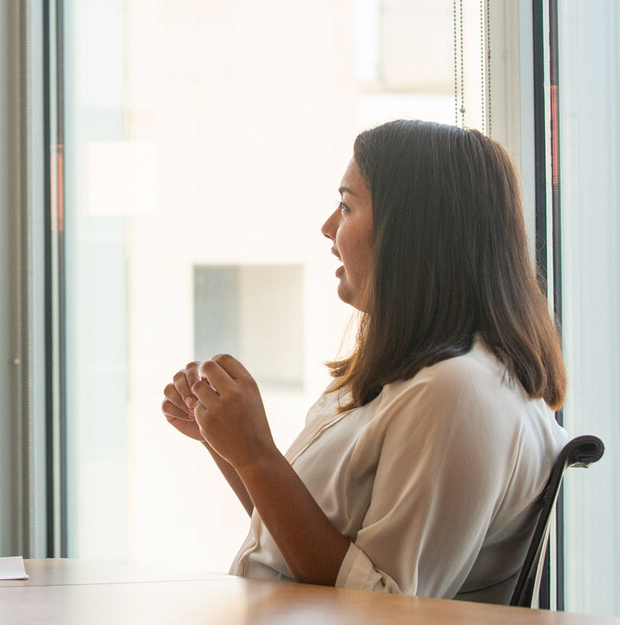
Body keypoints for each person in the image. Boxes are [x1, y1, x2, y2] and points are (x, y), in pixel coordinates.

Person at [160, 119, 569, 604]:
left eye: (346, 205)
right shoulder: (418, 379)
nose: (328, 227)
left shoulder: (456, 392)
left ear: (411, 234)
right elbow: (300, 545)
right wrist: (229, 445)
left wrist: (255, 453)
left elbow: (383, 604)